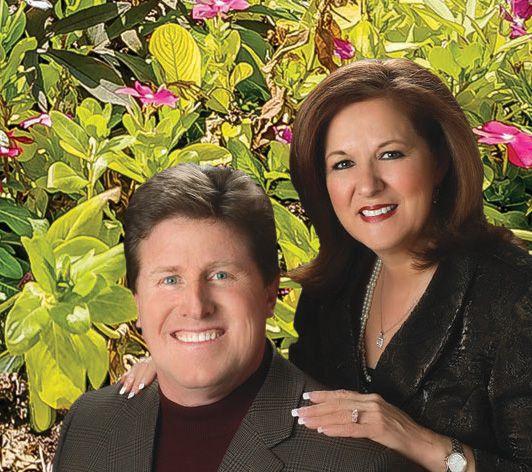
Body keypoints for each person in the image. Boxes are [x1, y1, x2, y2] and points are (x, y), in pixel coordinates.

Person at [118, 59, 532, 472]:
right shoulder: (336, 286)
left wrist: (419, 441)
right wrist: (190, 361)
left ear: (439, 161)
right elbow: (293, 399)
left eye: (390, 154)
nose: (367, 185)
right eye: (343, 164)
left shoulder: (514, 294)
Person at [52, 164, 419, 472]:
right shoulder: (89, 425)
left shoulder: (356, 460)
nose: (196, 307)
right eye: (170, 280)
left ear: (270, 293)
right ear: (137, 301)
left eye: (221, 275)